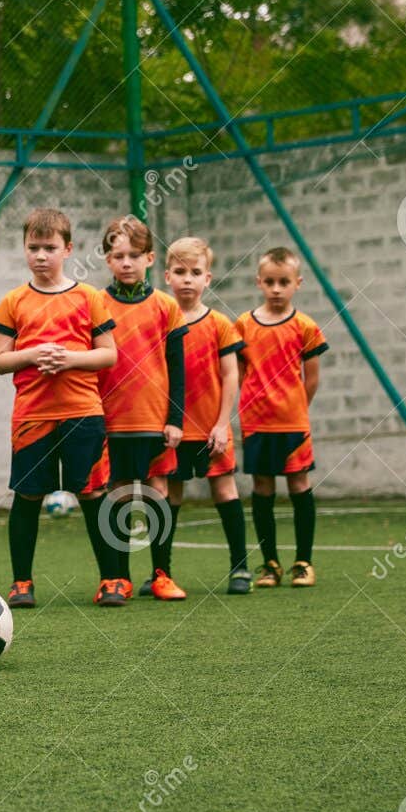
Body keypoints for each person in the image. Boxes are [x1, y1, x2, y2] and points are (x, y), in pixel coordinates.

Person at [0, 207, 119, 609]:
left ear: (68, 249)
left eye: (49, 247)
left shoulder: (90, 297)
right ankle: (21, 583)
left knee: (93, 492)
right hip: (31, 416)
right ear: (24, 250)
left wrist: (68, 359)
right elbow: (0, 361)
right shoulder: (13, 301)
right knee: (28, 496)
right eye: (33, 247)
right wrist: (32, 354)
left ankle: (112, 580)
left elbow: (109, 355)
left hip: (83, 412)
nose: (41, 255)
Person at [81, 216, 188, 602]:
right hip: (110, 422)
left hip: (155, 422)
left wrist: (176, 419)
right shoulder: (96, 302)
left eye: (134, 255)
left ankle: (161, 575)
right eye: (118, 255)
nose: (126, 263)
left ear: (149, 258)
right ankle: (119, 578)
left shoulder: (166, 306)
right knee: (120, 495)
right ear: (108, 260)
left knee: (158, 493)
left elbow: (177, 367)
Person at [148, 237, 251, 594]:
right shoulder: (160, 320)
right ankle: (161, 574)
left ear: (208, 278)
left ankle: (241, 570)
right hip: (171, 429)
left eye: (195, 272)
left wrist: (223, 423)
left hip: (210, 429)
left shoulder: (220, 323)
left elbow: (230, 375)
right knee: (167, 495)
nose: (187, 279)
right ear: (167, 276)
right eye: (180, 272)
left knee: (224, 490)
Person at [235, 247, 329, 588]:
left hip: (293, 423)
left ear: (297, 284)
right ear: (259, 282)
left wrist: (295, 407)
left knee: (299, 485)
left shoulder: (305, 326)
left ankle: (303, 562)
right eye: (270, 282)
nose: (276, 288)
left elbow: (312, 377)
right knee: (262, 488)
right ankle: (270, 564)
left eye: (284, 282)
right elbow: (241, 373)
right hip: (256, 423)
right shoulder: (244, 324)